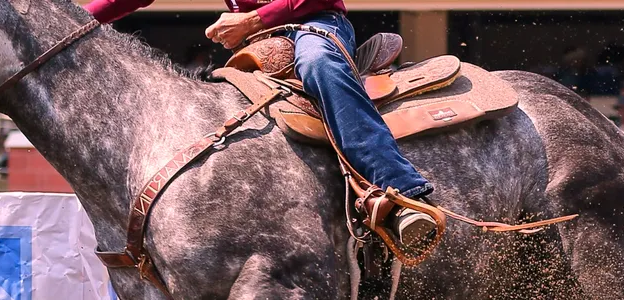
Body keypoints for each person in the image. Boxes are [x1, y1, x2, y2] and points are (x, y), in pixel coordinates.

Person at [84, 0, 438, 247]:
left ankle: (401, 190)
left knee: (319, 66)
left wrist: (252, 20)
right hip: (258, 45)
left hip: (313, 26)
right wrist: (72, 20)